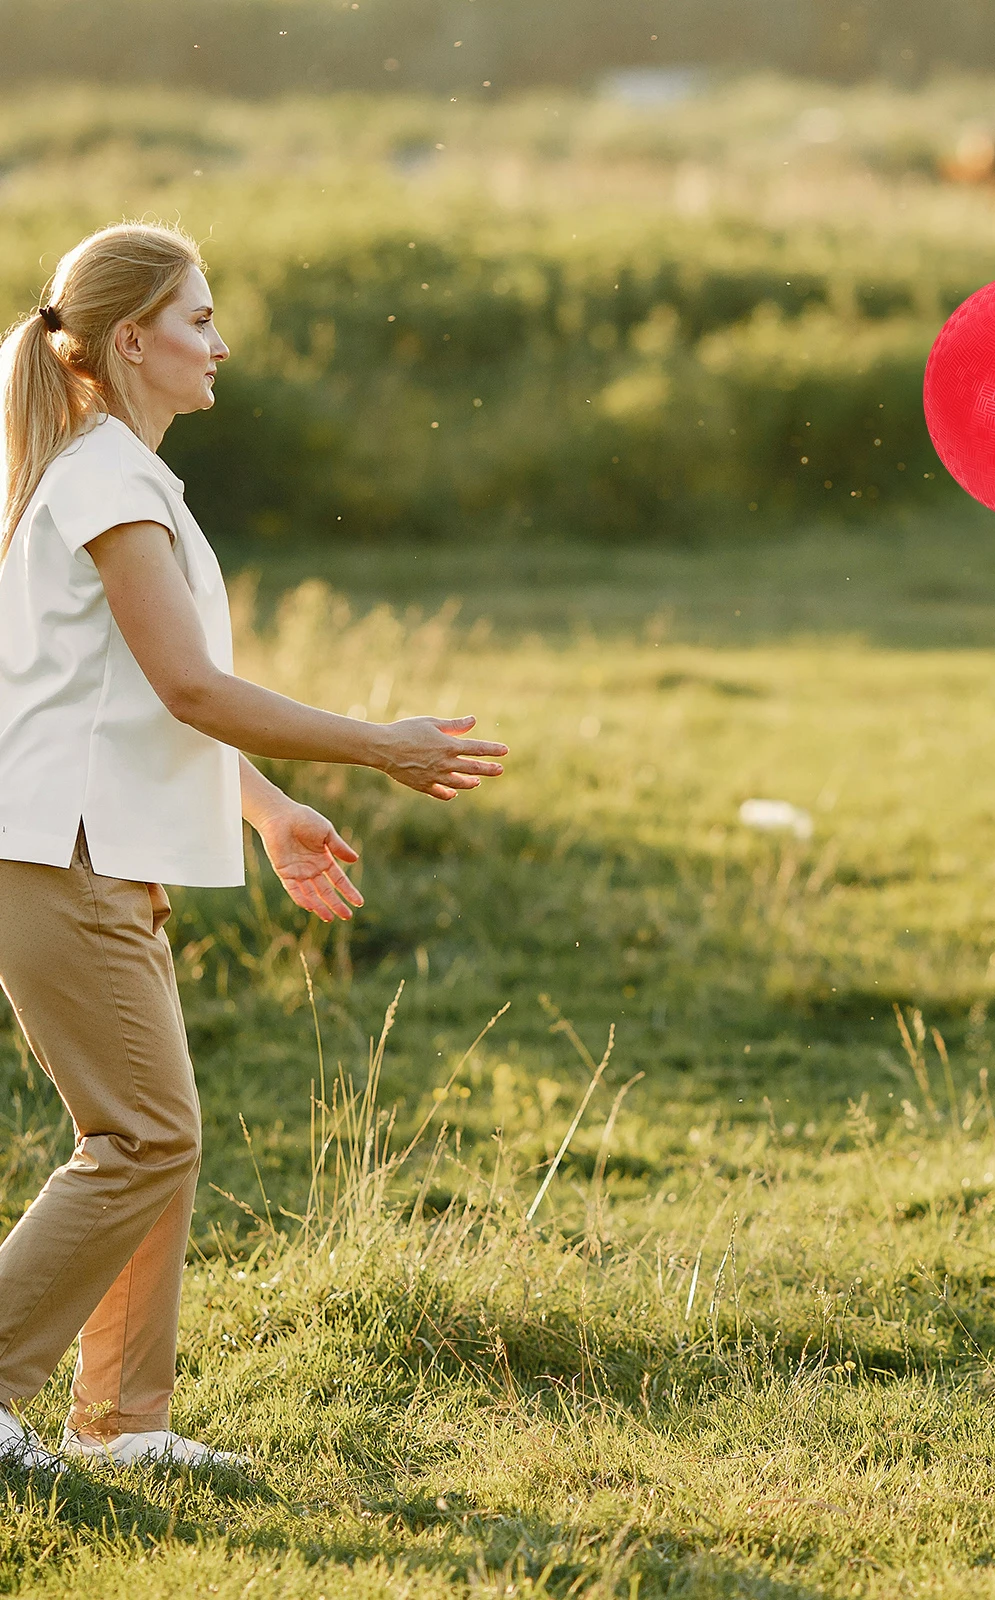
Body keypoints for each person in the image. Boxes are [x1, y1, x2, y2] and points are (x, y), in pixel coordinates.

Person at [0, 222, 509, 1471]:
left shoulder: (107, 472)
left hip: (96, 856)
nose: (220, 344)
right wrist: (378, 745)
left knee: (151, 1141)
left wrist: (270, 808)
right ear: (131, 339)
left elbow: (134, 691)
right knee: (145, 1137)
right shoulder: (108, 483)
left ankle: (123, 1425)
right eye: (199, 320)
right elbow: (192, 687)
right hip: (60, 858)